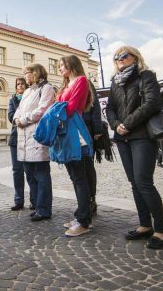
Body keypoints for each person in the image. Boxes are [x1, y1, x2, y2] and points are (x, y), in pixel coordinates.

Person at [105, 46, 163, 250]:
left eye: (124, 56)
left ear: (135, 57)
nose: (120, 59)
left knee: (144, 181)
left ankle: (161, 230)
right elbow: (110, 108)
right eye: (117, 57)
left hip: (142, 135)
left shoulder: (146, 76)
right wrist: (116, 125)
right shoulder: (115, 82)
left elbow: (151, 103)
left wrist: (128, 124)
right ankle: (145, 225)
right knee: (134, 182)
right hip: (123, 137)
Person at [55, 55, 95, 237]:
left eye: (62, 65)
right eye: (59, 66)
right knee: (75, 177)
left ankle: (84, 221)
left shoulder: (81, 80)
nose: (60, 68)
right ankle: (81, 215)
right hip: (66, 131)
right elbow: (59, 105)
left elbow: (70, 107)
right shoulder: (66, 85)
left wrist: (55, 112)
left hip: (75, 132)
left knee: (80, 177)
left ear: (72, 65)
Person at [14, 63, 55, 221]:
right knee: (30, 175)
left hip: (37, 136)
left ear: (35, 73)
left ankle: (45, 209)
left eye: (27, 73)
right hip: (23, 138)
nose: (25, 77)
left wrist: (23, 120)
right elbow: (19, 110)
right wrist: (17, 118)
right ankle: (38, 205)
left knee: (41, 174)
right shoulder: (27, 92)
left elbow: (43, 110)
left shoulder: (46, 88)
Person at [81, 79, 105, 216]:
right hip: (73, 130)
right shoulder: (66, 84)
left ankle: (91, 199)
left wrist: (97, 129)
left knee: (88, 166)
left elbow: (95, 107)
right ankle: (83, 201)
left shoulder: (87, 82)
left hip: (87, 129)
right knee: (78, 168)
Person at [7, 77, 28, 211]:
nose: (20, 86)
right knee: (17, 170)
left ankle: (34, 200)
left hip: (30, 137)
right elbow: (10, 116)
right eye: (18, 84)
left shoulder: (31, 96)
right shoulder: (12, 100)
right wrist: (21, 117)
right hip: (16, 138)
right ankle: (19, 200)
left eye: (22, 84)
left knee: (31, 170)